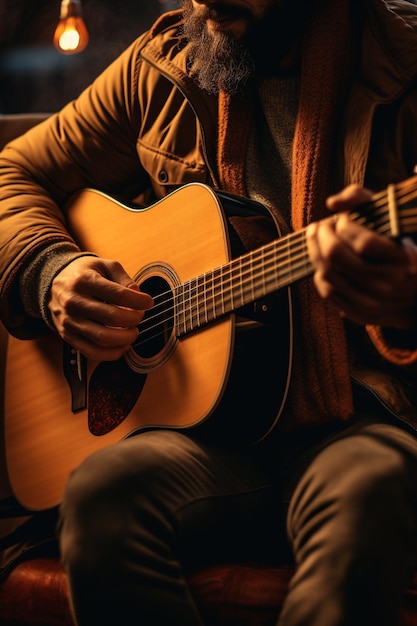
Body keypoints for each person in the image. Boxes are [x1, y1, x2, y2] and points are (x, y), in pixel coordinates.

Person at [1, 0, 417, 624]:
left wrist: (408, 301)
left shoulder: (403, 61)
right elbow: (14, 167)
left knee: (367, 493)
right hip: (203, 426)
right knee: (100, 493)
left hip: (356, 412)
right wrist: (50, 272)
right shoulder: (162, 65)